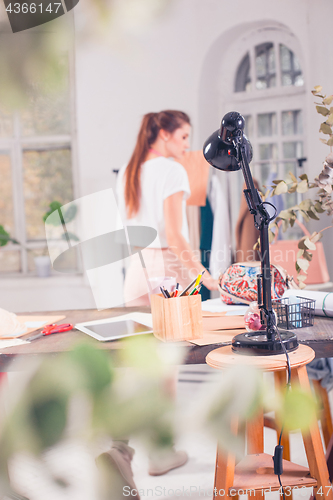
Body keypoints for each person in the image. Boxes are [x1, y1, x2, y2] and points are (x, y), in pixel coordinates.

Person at [116, 110, 218, 306]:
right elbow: (173, 236)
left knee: (141, 337)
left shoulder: (127, 171)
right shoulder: (172, 170)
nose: (187, 145)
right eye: (184, 136)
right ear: (164, 134)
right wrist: (206, 277)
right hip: (169, 271)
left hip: (137, 270)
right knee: (181, 336)